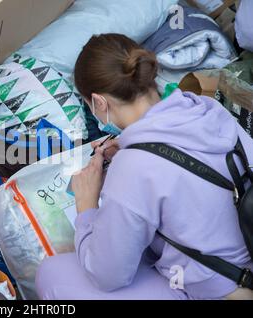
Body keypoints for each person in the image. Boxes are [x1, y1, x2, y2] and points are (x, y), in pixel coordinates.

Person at [35, 34, 253, 300]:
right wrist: (131, 151)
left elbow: (108, 275)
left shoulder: (134, 166)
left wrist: (87, 209)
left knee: (53, 274)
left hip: (221, 291)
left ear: (99, 102)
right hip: (245, 262)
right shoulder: (207, 109)